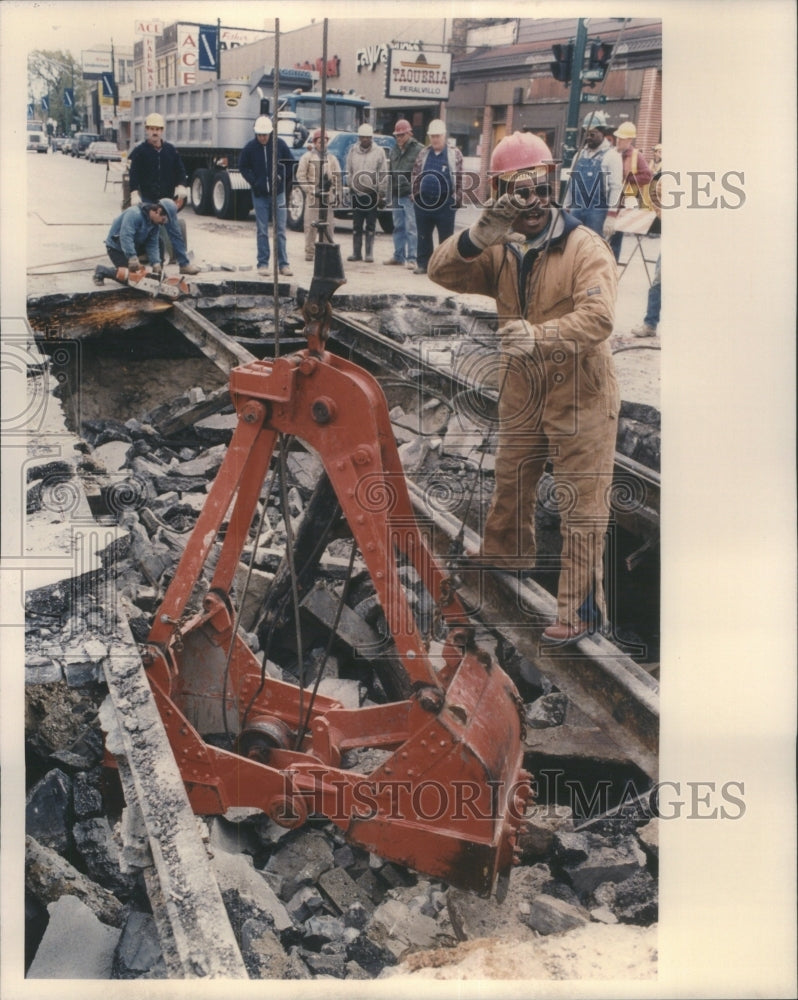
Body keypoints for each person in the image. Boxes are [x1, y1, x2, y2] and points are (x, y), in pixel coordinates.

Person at [428, 131, 620, 645]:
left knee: (581, 501)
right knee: (513, 474)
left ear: (552, 185)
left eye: (538, 189)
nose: (531, 203)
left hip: (581, 392)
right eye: (517, 191)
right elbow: (439, 271)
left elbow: (598, 318)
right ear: (498, 194)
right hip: (524, 391)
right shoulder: (503, 249)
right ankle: (507, 550)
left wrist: (539, 335)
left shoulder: (584, 247)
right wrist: (476, 235)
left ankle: (581, 611)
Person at [127, 112, 200, 275]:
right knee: (148, 230)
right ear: (146, 130)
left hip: (165, 199)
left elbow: (181, 171)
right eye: (152, 129)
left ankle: (184, 264)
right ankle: (153, 262)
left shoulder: (170, 151)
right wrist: (134, 193)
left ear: (162, 131)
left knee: (174, 228)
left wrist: (181, 186)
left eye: (158, 129)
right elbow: (134, 174)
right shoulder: (140, 152)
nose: (155, 132)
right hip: (147, 199)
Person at [238, 115, 295, 277]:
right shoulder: (250, 148)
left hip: (279, 194)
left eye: (265, 135)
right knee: (262, 230)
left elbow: (290, 164)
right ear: (256, 133)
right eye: (260, 135)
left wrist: (281, 177)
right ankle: (263, 263)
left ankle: (283, 264)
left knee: (280, 230)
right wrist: (255, 182)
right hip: (260, 195)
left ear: (271, 133)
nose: (263, 138)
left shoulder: (280, 145)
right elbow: (243, 167)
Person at [411, 119, 464, 275]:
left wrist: (456, 200)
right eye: (432, 136)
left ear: (444, 136)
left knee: (446, 238)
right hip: (424, 201)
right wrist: (415, 196)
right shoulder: (423, 153)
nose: (435, 139)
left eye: (438, 136)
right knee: (423, 235)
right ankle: (423, 264)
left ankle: (444, 267)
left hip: (445, 203)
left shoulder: (455, 154)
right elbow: (415, 174)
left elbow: (460, 178)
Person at [562, 110, 623, 243]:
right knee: (572, 243)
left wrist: (611, 215)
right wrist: (566, 208)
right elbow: (570, 183)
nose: (588, 137)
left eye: (592, 134)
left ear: (602, 133)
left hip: (597, 212)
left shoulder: (612, 156)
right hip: (576, 209)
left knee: (594, 246)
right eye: (586, 133)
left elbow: (616, 187)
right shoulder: (579, 155)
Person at [607, 121, 653, 262]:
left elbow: (647, 176)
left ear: (630, 140)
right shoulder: (612, 153)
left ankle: (612, 269)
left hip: (622, 203)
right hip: (607, 201)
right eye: (618, 137)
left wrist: (627, 178)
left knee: (615, 240)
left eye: (622, 138)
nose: (618, 140)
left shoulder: (636, 156)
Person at [295, 129, 342, 261]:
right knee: (310, 226)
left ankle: (326, 253)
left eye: (325, 141)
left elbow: (338, 177)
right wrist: (310, 189)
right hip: (313, 198)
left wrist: (337, 193)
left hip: (327, 198)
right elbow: (300, 176)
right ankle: (310, 253)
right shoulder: (307, 157)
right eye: (320, 141)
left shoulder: (332, 159)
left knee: (328, 225)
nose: (322, 144)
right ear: (315, 142)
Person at [345, 123, 388, 263]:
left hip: (372, 194)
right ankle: (356, 253)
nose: (364, 140)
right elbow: (349, 170)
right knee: (356, 225)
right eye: (362, 137)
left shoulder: (379, 152)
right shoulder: (352, 151)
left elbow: (383, 173)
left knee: (370, 225)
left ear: (371, 138)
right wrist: (351, 185)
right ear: (359, 137)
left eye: (367, 137)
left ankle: (369, 253)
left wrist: (381, 193)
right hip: (357, 193)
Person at [94, 201, 167, 283]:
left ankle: (157, 275)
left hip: (134, 245)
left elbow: (153, 244)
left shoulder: (155, 224)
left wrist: (156, 263)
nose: (163, 223)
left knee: (159, 241)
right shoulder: (134, 214)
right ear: (158, 211)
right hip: (117, 248)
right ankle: (102, 270)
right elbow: (126, 236)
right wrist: (132, 257)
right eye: (163, 219)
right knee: (132, 279)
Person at [384, 119, 423, 268]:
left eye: (401, 135)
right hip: (396, 193)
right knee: (398, 225)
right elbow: (391, 173)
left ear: (409, 133)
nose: (399, 138)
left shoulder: (419, 149)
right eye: (397, 135)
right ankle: (398, 256)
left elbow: (423, 172)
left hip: (410, 195)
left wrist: (417, 191)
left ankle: (412, 258)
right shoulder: (394, 150)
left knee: (411, 226)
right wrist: (389, 192)